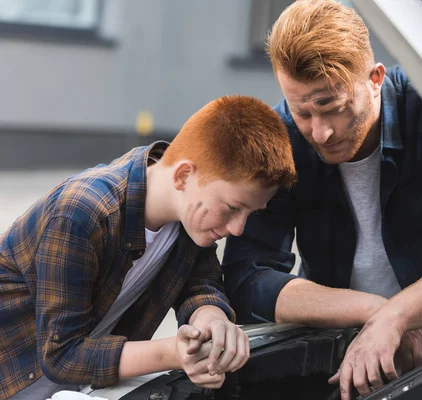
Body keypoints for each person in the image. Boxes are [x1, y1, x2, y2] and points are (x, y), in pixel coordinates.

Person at [221, 1, 422, 399]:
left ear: (374, 78)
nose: (319, 132)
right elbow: (248, 275)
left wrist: (398, 316)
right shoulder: (284, 139)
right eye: (301, 111)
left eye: (332, 108)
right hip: (334, 344)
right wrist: (378, 312)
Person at [0, 95, 297, 399]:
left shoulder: (190, 217)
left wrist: (213, 320)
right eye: (233, 208)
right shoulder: (82, 212)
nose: (238, 229)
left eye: (250, 213)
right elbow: (63, 356)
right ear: (183, 175)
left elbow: (200, 285)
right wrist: (174, 353)